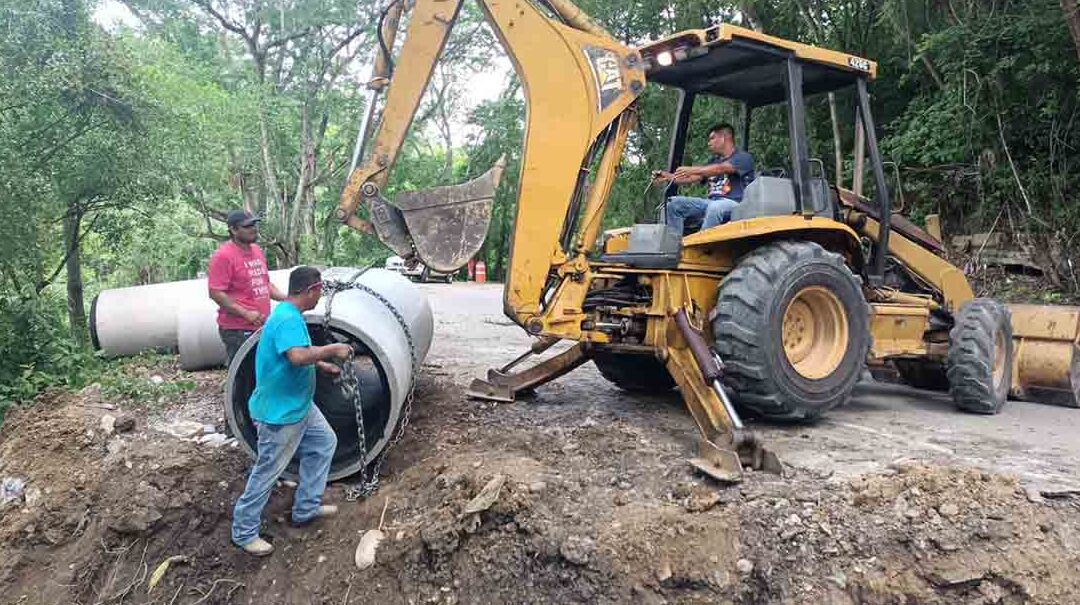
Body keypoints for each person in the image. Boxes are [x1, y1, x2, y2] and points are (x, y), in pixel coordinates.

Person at [231, 266, 352, 557]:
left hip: (298, 405)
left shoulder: (289, 315)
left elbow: (293, 352)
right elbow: (297, 356)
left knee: (324, 443)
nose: (320, 296)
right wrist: (333, 348)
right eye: (319, 290)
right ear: (311, 290)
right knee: (267, 471)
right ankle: (244, 532)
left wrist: (321, 365)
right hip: (280, 414)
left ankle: (305, 509)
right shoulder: (287, 319)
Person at [208, 210, 286, 366]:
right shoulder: (223, 256)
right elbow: (216, 292)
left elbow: (265, 284)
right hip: (238, 329)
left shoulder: (256, 251)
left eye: (254, 224)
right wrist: (245, 313)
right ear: (233, 230)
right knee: (244, 375)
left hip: (261, 324)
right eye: (247, 226)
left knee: (263, 370)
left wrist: (288, 298)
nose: (253, 228)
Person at [654, 123, 756, 234]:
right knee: (673, 205)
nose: (709, 143)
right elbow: (693, 177)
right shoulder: (713, 162)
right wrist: (668, 177)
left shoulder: (743, 157)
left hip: (735, 204)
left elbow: (721, 168)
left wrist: (692, 169)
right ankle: (674, 246)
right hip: (710, 202)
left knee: (715, 208)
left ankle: (701, 246)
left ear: (724, 138)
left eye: (712, 138)